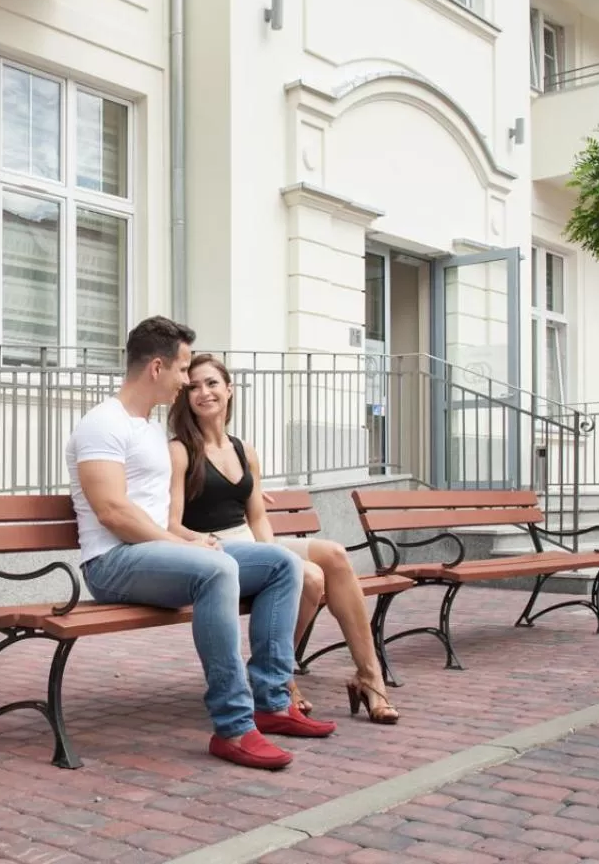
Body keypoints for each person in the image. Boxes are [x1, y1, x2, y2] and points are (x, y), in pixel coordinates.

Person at [69, 317, 337, 770]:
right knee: (217, 570)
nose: (184, 381)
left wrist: (191, 538)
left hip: (154, 553)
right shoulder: (102, 424)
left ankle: (270, 703)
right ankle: (233, 727)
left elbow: (159, 516)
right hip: (112, 564)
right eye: (181, 370)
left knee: (280, 563)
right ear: (157, 367)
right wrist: (184, 547)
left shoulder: (149, 429)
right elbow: (112, 512)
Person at [168, 353, 400, 724]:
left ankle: (369, 675)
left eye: (212, 383)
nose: (203, 392)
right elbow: (171, 523)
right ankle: (280, 676)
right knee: (309, 576)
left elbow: (257, 517)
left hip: (251, 544)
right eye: (193, 386)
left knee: (335, 555)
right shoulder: (180, 451)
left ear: (229, 389)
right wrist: (205, 543)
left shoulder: (245, 451)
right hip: (215, 551)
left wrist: (271, 556)